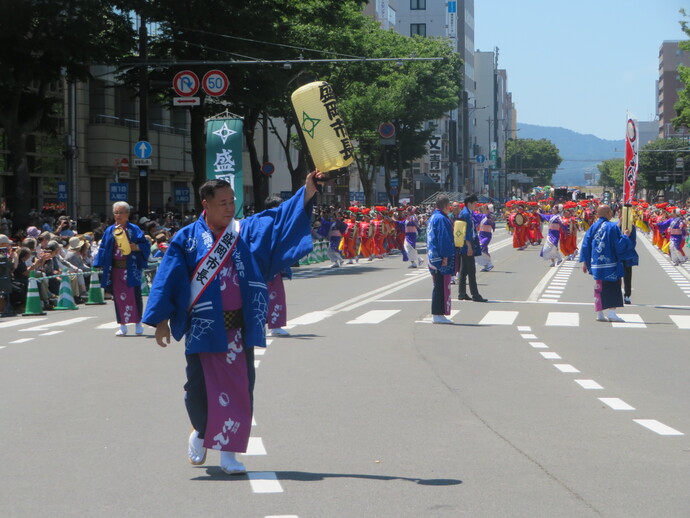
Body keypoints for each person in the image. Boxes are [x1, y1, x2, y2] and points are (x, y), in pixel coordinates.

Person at [142, 171, 320, 475]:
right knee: (197, 391)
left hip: (239, 329)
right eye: (222, 202)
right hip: (204, 329)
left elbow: (277, 220)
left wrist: (308, 190)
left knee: (239, 390)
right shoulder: (186, 239)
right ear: (206, 203)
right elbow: (167, 279)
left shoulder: (244, 231)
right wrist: (159, 320)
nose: (229, 207)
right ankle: (201, 431)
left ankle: (229, 454)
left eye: (232, 201)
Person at [94, 202, 151, 336]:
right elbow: (103, 248)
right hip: (115, 269)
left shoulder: (134, 229)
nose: (118, 215)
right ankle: (122, 325)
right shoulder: (109, 230)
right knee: (118, 297)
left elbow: (145, 245)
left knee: (134, 296)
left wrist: (136, 247)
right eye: (116, 213)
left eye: (121, 213)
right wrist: (99, 263)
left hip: (131, 268)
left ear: (127, 214)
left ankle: (138, 323)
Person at [579, 204, 632, 322]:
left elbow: (586, 245)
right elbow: (618, 245)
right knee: (614, 287)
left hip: (596, 263)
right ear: (609, 213)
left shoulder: (593, 227)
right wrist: (625, 236)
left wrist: (585, 262)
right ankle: (612, 313)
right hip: (610, 263)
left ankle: (600, 314)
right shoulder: (611, 227)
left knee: (599, 287)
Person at [426, 195, 455, 324]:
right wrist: (445, 256)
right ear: (445, 206)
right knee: (441, 286)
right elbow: (444, 239)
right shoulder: (442, 218)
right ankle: (438, 314)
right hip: (440, 257)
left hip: (432, 255)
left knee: (438, 285)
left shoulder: (433, 217)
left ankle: (439, 313)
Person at [457, 195, 487, 302]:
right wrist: (469, 246)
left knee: (464, 270)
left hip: (466, 244)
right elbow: (465, 232)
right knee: (471, 271)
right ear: (469, 203)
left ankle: (462, 293)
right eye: (475, 203)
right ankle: (475, 294)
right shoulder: (465, 214)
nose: (476, 206)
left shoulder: (467, 213)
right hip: (466, 245)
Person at [475, 204, 495, 272]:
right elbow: (475, 219)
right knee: (483, 250)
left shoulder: (490, 216)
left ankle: (489, 263)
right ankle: (486, 265)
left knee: (482, 247)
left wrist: (487, 213)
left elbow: (491, 221)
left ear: (487, 209)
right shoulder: (481, 215)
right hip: (481, 235)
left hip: (487, 235)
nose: (482, 209)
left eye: (484, 208)